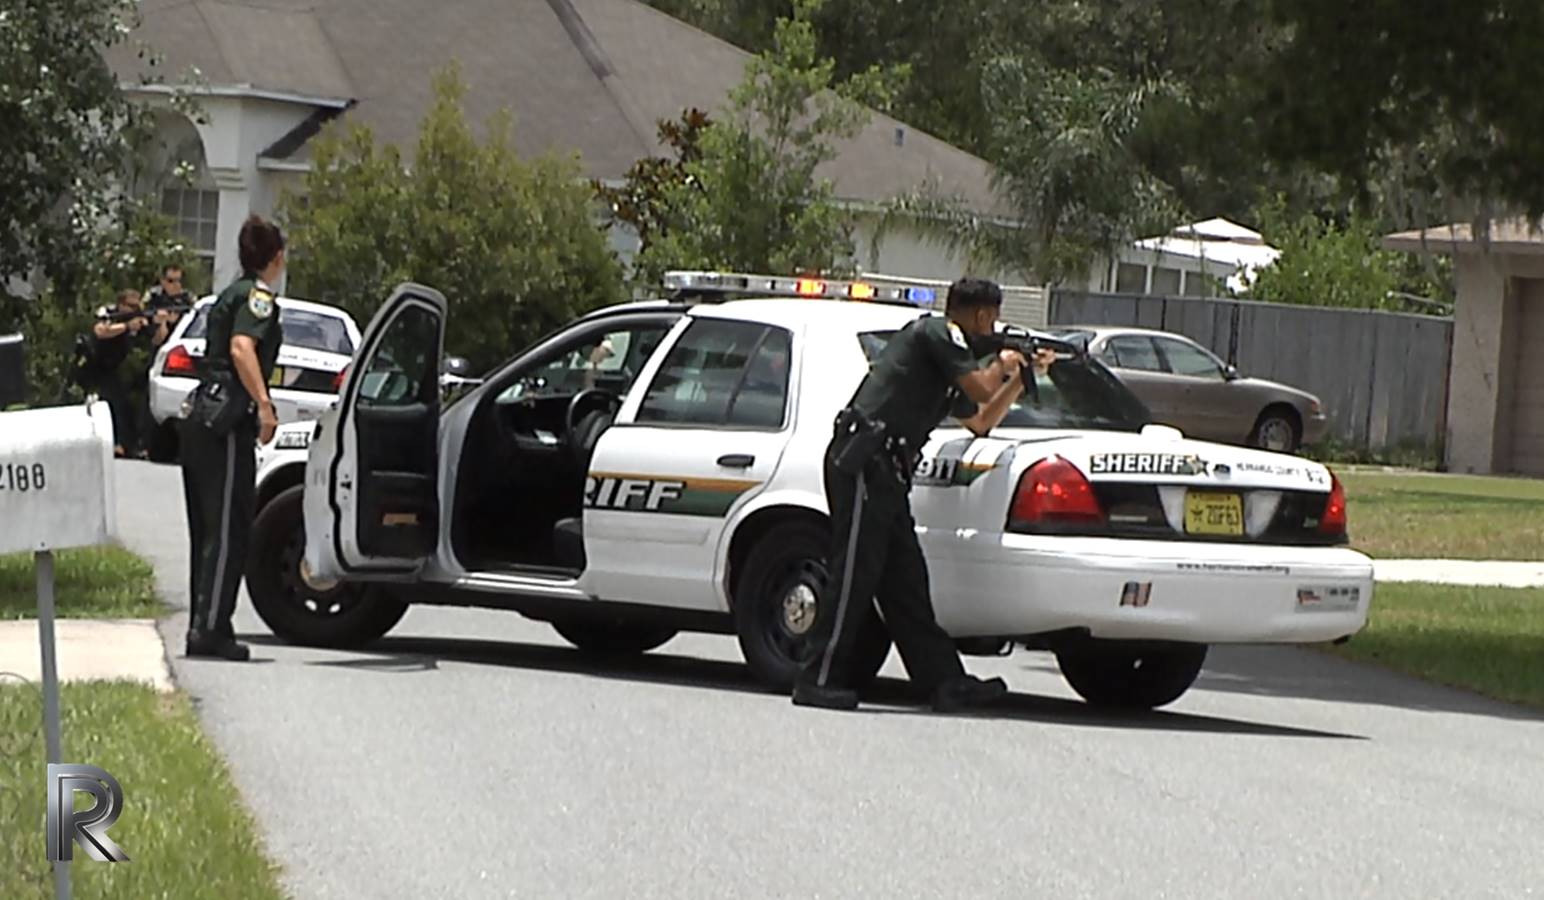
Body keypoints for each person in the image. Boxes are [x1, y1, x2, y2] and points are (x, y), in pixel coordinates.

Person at [792, 277, 1056, 713]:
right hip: (864, 461)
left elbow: (981, 420)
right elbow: (981, 387)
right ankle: (816, 678)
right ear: (979, 315)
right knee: (854, 573)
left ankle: (945, 683)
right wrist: (1004, 361)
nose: (993, 327)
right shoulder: (937, 332)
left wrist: (1021, 379)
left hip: (887, 472)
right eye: (991, 318)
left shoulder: (952, 360)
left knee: (907, 584)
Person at [180, 216, 286, 661]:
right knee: (227, 528)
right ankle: (210, 630)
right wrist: (264, 404)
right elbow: (243, 347)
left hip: (203, 413)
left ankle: (205, 622)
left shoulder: (230, 292)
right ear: (276, 258)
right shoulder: (257, 298)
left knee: (208, 530)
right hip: (225, 421)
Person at [85, 288, 160, 457]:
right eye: (130, 306)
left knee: (135, 404)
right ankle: (115, 443)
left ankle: (132, 444)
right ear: (121, 304)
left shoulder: (138, 318)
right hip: (99, 366)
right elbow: (100, 331)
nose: (134, 309)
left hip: (120, 368)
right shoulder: (108, 312)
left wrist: (160, 323)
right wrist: (127, 326)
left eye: (137, 306)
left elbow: (157, 339)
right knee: (113, 405)